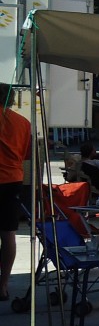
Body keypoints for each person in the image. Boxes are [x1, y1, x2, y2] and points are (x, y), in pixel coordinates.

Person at [0, 82, 31, 302]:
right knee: (8, 233)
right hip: (13, 180)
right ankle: (3, 285)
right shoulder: (23, 122)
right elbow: (27, 153)